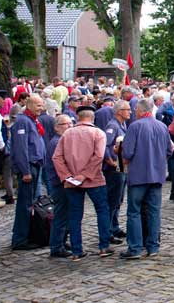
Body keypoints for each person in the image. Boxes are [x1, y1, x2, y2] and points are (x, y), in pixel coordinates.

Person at [52, 105, 114, 260]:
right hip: (94, 179)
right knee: (102, 210)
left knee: (75, 214)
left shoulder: (67, 134)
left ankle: (76, 250)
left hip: (72, 181)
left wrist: (67, 176)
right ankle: (104, 246)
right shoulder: (98, 133)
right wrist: (84, 175)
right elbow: (99, 156)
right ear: (92, 118)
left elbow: (56, 158)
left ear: (78, 118)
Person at [118, 97, 174, 259]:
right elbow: (169, 150)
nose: (134, 112)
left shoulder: (134, 127)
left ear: (141, 110)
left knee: (134, 211)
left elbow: (127, 153)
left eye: (135, 110)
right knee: (154, 212)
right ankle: (153, 246)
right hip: (156, 174)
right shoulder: (162, 126)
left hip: (138, 175)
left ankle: (135, 248)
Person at [10, 94, 47, 250]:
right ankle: (20, 239)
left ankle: (25, 235)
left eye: (42, 105)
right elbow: (21, 148)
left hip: (35, 165)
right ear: (29, 104)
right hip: (29, 166)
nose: (41, 108)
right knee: (25, 204)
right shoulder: (22, 122)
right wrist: (25, 171)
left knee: (30, 203)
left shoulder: (32, 120)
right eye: (38, 105)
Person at [45, 115, 73, 258]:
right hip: (59, 183)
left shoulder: (62, 140)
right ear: (56, 127)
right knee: (61, 215)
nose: (69, 126)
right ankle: (57, 246)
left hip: (63, 182)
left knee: (65, 214)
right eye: (65, 124)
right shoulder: (56, 142)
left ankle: (61, 240)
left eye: (70, 123)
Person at [103, 100, 130, 243]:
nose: (130, 112)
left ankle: (114, 227)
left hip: (121, 167)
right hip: (114, 169)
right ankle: (107, 231)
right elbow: (105, 145)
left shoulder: (122, 125)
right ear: (119, 111)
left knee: (118, 199)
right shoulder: (112, 126)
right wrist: (109, 160)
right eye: (127, 109)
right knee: (112, 200)